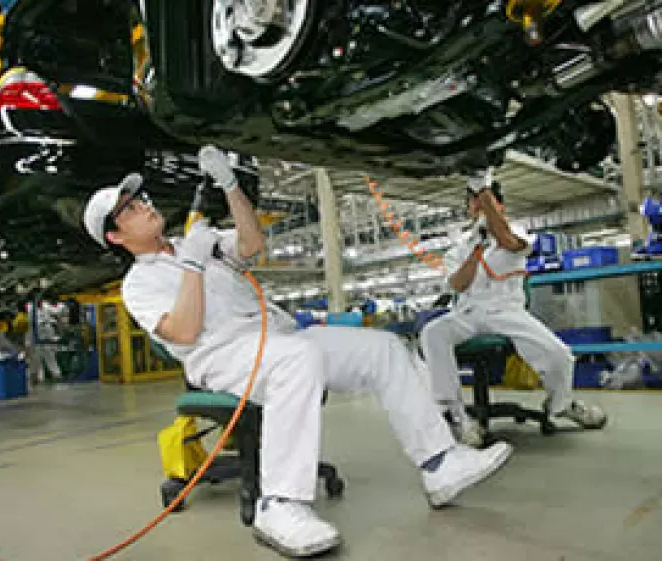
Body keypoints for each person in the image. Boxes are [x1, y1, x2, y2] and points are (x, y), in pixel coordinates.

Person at [82, 147, 514, 558]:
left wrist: (231, 186)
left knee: (383, 348)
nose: (144, 205)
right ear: (116, 236)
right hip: (224, 355)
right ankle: (279, 505)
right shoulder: (139, 284)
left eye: (140, 198)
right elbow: (183, 330)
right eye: (129, 209)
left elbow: (252, 247)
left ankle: (439, 461)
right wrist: (194, 265)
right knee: (296, 359)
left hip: (279, 335)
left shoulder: (198, 241)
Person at [420, 172, 607, 448]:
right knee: (433, 333)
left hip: (509, 312)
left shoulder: (515, 232)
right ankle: (457, 415)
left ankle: (562, 404)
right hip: (468, 313)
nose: (480, 207)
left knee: (559, 355)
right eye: (475, 202)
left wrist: (483, 191)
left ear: (499, 206)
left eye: (486, 201)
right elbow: (458, 285)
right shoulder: (459, 249)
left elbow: (508, 241)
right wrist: (476, 251)